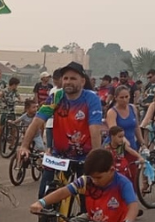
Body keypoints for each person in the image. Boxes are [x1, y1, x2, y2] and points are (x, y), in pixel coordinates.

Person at [18, 62, 105, 198]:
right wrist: (24, 146)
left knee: (87, 199)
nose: (68, 82)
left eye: (73, 78)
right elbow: (37, 121)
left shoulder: (91, 98)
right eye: (65, 78)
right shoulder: (56, 96)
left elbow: (94, 128)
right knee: (44, 196)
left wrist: (95, 156)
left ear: (82, 81)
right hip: (59, 155)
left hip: (85, 157)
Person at [0, 77, 22, 151]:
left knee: (14, 128)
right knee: (0, 129)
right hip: (4, 111)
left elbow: (19, 97)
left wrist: (20, 100)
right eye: (16, 85)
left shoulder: (15, 92)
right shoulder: (4, 91)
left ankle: (12, 145)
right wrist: (1, 101)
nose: (16, 86)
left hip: (12, 111)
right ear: (13, 84)